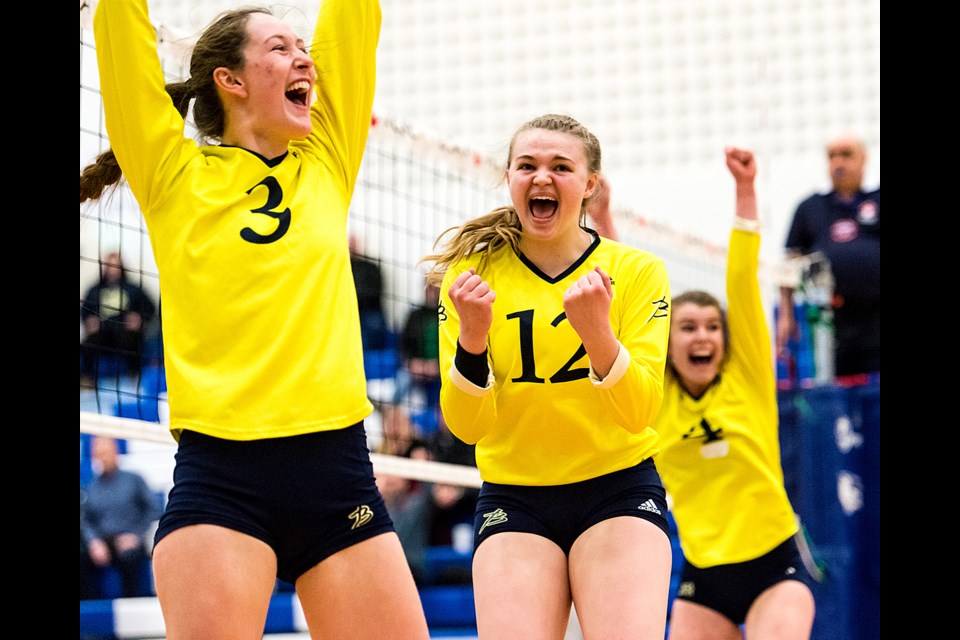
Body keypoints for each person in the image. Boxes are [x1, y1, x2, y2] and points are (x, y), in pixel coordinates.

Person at [79, 1, 430, 638]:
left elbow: (353, 22)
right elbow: (122, 44)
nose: (303, 56)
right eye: (278, 47)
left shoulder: (327, 158)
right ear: (230, 79)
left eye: (302, 45)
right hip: (223, 483)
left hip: (337, 477)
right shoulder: (172, 173)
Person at [423, 113, 673, 639]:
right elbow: (467, 428)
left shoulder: (637, 271)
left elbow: (640, 412)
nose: (542, 178)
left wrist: (596, 334)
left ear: (589, 186)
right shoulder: (472, 277)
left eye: (561, 167)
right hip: (515, 497)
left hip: (617, 490)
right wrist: (471, 338)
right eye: (527, 165)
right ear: (509, 178)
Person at [653, 147, 816, 639]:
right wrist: (602, 218)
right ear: (667, 341)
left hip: (775, 565)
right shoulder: (657, 398)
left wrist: (746, 189)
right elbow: (632, 303)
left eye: (711, 327)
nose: (702, 336)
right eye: (687, 327)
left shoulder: (746, 377)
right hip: (703, 574)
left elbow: (742, 279)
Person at [777, 133, 880, 381]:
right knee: (833, 389)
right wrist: (786, 315)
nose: (839, 163)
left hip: (877, 317)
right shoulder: (810, 208)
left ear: (863, 160)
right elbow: (789, 262)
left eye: (846, 154)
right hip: (830, 321)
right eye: (832, 156)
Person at [80, 436, 161, 599]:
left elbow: (153, 509)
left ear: (115, 451)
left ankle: (131, 604)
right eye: (99, 453)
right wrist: (94, 542)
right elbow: (86, 520)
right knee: (83, 555)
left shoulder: (134, 480)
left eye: (105, 452)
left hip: (130, 539)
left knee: (129, 556)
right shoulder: (91, 487)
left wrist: (135, 535)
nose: (103, 457)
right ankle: (90, 609)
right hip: (103, 542)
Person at [80, 251, 157, 381]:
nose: (112, 270)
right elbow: (85, 311)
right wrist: (89, 321)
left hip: (125, 332)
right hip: (103, 332)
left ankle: (135, 377)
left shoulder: (133, 289)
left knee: (130, 340)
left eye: (116, 265)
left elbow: (150, 308)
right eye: (109, 265)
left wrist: (140, 319)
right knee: (89, 343)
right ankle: (87, 379)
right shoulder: (95, 290)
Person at [393, 278, 442, 414]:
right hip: (416, 368)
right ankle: (394, 415)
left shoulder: (447, 315)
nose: (432, 291)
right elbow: (403, 345)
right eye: (428, 286)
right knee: (402, 381)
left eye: (435, 287)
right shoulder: (414, 315)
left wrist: (438, 365)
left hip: (441, 369)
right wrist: (412, 364)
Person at [350, 233, 391, 351]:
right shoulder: (344, 267)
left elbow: (376, 291)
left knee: (373, 322)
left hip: (369, 310)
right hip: (350, 309)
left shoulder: (370, 266)